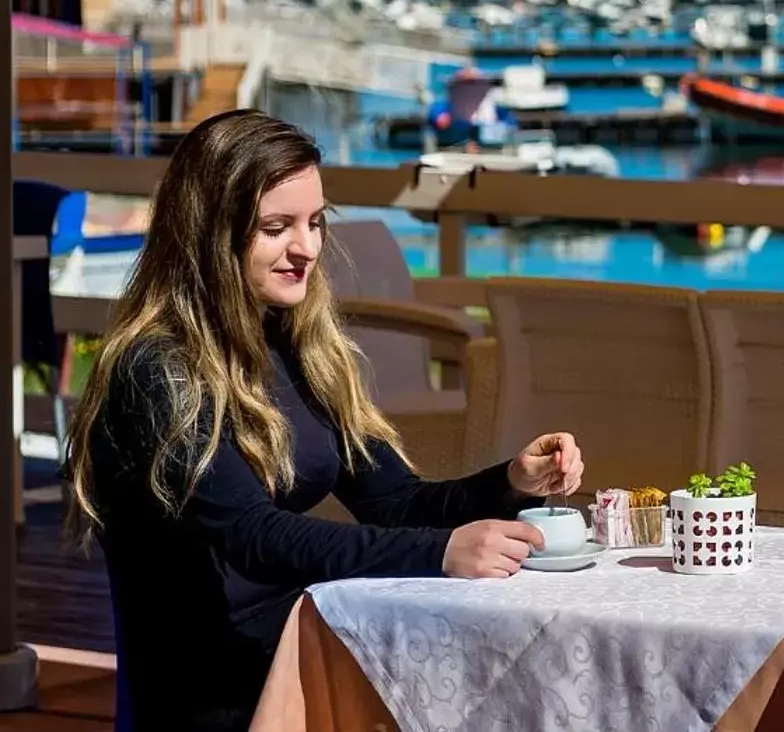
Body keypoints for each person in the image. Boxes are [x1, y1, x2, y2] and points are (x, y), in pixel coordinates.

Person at [62, 110, 585, 730]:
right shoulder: (155, 369)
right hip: (215, 686)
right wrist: (442, 551)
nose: (307, 248)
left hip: (303, 639)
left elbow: (394, 502)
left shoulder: (295, 345)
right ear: (210, 233)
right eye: (276, 227)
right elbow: (255, 537)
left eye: (314, 222)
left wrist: (511, 483)